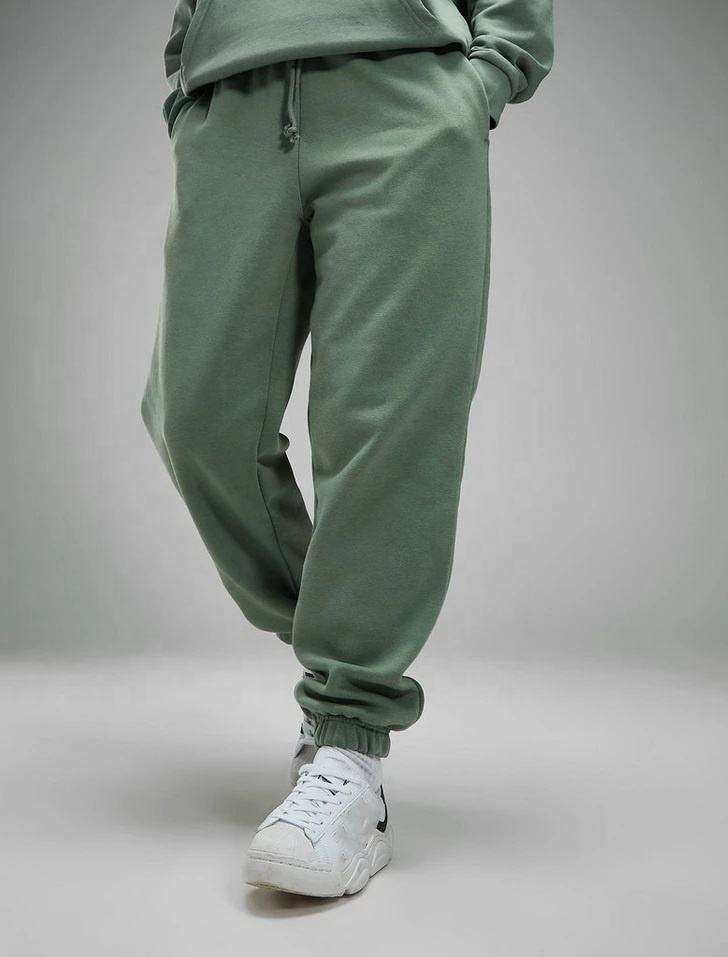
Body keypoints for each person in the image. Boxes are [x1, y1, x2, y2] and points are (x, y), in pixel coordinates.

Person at [142, 0, 553, 897]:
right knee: (197, 421)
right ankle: (349, 639)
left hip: (405, 93)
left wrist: (490, 73)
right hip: (231, 100)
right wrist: (187, 80)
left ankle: (349, 741)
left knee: (384, 424)